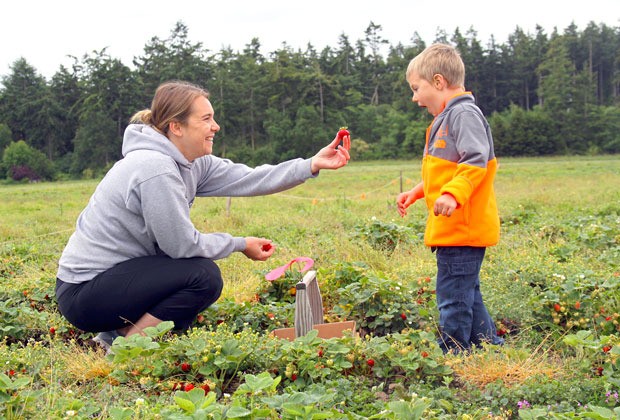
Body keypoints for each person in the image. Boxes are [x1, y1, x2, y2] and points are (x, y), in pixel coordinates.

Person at [55, 80, 351, 351]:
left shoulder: (192, 162)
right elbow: (181, 246)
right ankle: (125, 348)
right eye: (206, 119)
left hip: (116, 281)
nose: (216, 126)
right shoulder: (154, 167)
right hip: (84, 294)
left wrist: (312, 163)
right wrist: (238, 243)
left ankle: (115, 334)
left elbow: (251, 178)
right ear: (177, 127)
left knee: (190, 282)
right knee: (202, 277)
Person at [396, 44, 503, 353]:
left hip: (462, 229)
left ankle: (453, 353)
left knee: (453, 297)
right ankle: (488, 345)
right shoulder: (448, 117)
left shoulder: (464, 114)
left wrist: (453, 196)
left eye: (417, 88)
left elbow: (475, 160)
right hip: (454, 228)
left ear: (439, 82)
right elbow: (445, 171)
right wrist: (417, 193)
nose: (415, 97)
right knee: (466, 292)